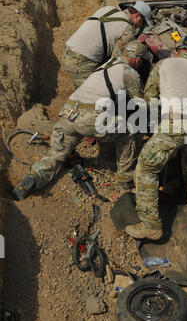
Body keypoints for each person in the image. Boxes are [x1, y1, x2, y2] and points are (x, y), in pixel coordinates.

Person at [12, 41, 148, 201]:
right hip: (90, 119)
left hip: (68, 114)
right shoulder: (130, 73)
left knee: (56, 156)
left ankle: (34, 177)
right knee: (129, 129)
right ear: (138, 60)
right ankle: (125, 182)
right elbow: (141, 105)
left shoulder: (106, 65)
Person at [125, 39, 187, 241]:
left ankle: (151, 226)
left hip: (173, 124)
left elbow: (149, 98)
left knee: (146, 169)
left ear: (176, 52)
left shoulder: (164, 64)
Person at [61, 1, 152, 88]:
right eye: (143, 23)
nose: (141, 26)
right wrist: (137, 44)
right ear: (138, 16)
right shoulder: (128, 30)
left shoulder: (108, 8)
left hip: (67, 53)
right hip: (80, 64)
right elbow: (115, 62)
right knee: (96, 96)